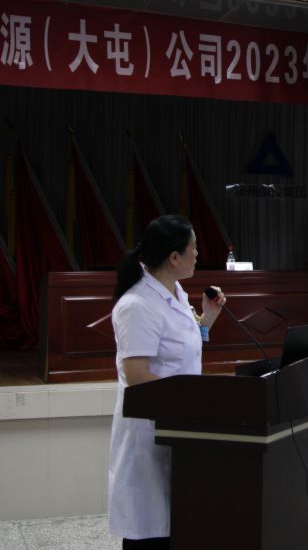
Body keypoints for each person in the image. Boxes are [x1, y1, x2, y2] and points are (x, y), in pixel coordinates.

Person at [107, 215, 225, 549]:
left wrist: (207, 319)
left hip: (178, 426)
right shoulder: (137, 305)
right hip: (150, 432)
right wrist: (189, 400)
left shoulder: (174, 291)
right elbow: (137, 375)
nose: (198, 254)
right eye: (193, 248)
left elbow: (181, 348)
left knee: (176, 526)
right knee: (150, 533)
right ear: (174, 257)